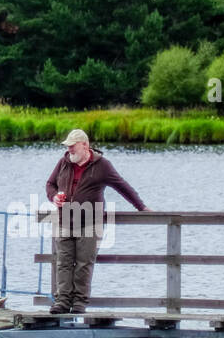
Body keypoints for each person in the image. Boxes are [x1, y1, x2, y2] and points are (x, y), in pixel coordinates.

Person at [44, 129, 148, 315]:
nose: (70, 150)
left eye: (72, 146)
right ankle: (62, 302)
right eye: (67, 147)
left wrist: (141, 207)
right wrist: (54, 198)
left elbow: (123, 187)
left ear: (85, 145)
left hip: (91, 222)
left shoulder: (102, 166)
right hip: (65, 220)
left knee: (84, 263)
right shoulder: (63, 162)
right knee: (63, 263)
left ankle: (79, 304)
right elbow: (50, 184)